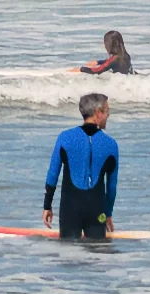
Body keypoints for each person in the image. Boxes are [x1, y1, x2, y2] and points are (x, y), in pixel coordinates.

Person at [43, 93, 120, 241]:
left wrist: (47, 206)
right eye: (107, 111)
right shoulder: (111, 144)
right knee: (97, 257)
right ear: (98, 113)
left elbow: (52, 176)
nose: (108, 115)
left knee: (68, 258)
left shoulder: (65, 137)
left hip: (69, 209)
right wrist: (108, 214)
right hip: (98, 212)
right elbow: (111, 187)